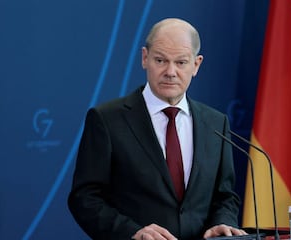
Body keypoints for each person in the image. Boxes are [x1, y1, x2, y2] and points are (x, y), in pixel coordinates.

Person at [68, 18, 247, 240]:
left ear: (196, 65)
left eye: (181, 62)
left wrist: (223, 222)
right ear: (145, 58)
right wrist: (131, 232)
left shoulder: (215, 123)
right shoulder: (107, 120)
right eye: (161, 60)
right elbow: (85, 198)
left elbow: (225, 196)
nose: (170, 71)